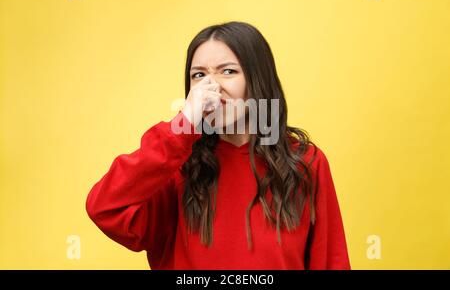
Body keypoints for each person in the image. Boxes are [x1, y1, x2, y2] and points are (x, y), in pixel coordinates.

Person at [86, 21, 351, 269]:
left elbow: (330, 260)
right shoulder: (175, 170)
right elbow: (105, 207)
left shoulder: (305, 162)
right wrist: (183, 126)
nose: (211, 86)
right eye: (199, 75)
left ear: (258, 80)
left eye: (228, 71)